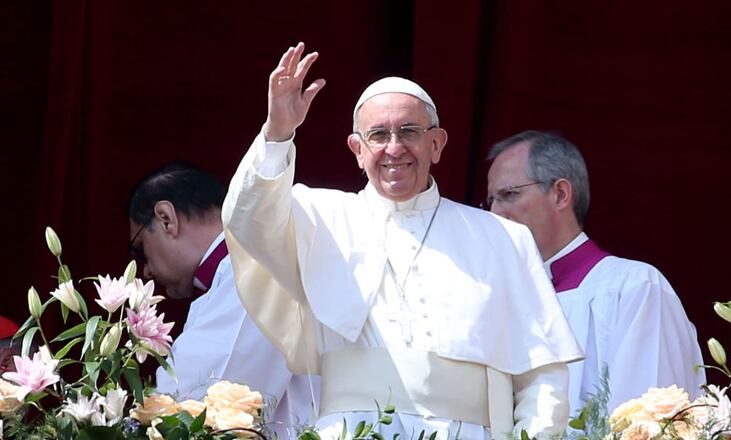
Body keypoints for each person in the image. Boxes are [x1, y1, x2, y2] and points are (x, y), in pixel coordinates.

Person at [222, 42, 583, 440]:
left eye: (409, 131)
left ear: (437, 143)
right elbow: (248, 218)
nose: (394, 148)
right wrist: (277, 133)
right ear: (357, 150)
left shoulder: (503, 238)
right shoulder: (318, 217)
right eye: (378, 135)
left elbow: (542, 372)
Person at [485, 131, 706, 416]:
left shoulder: (634, 288)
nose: (494, 213)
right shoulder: (500, 299)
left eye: (509, 195)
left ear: (560, 194)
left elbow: (648, 424)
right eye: (490, 201)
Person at [127, 162, 318, 437]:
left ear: (166, 219)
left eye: (140, 249)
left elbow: (191, 400)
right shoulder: (231, 274)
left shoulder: (253, 266)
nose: (145, 270)